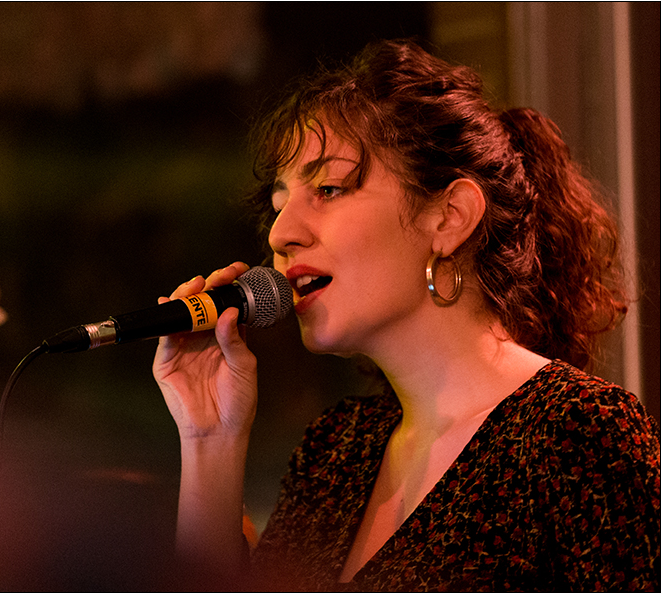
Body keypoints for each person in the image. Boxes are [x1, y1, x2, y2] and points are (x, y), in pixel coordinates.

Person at [152, 39, 660, 591]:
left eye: (329, 188)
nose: (280, 234)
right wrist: (210, 440)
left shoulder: (579, 433)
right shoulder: (335, 451)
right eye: (278, 206)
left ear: (449, 217)